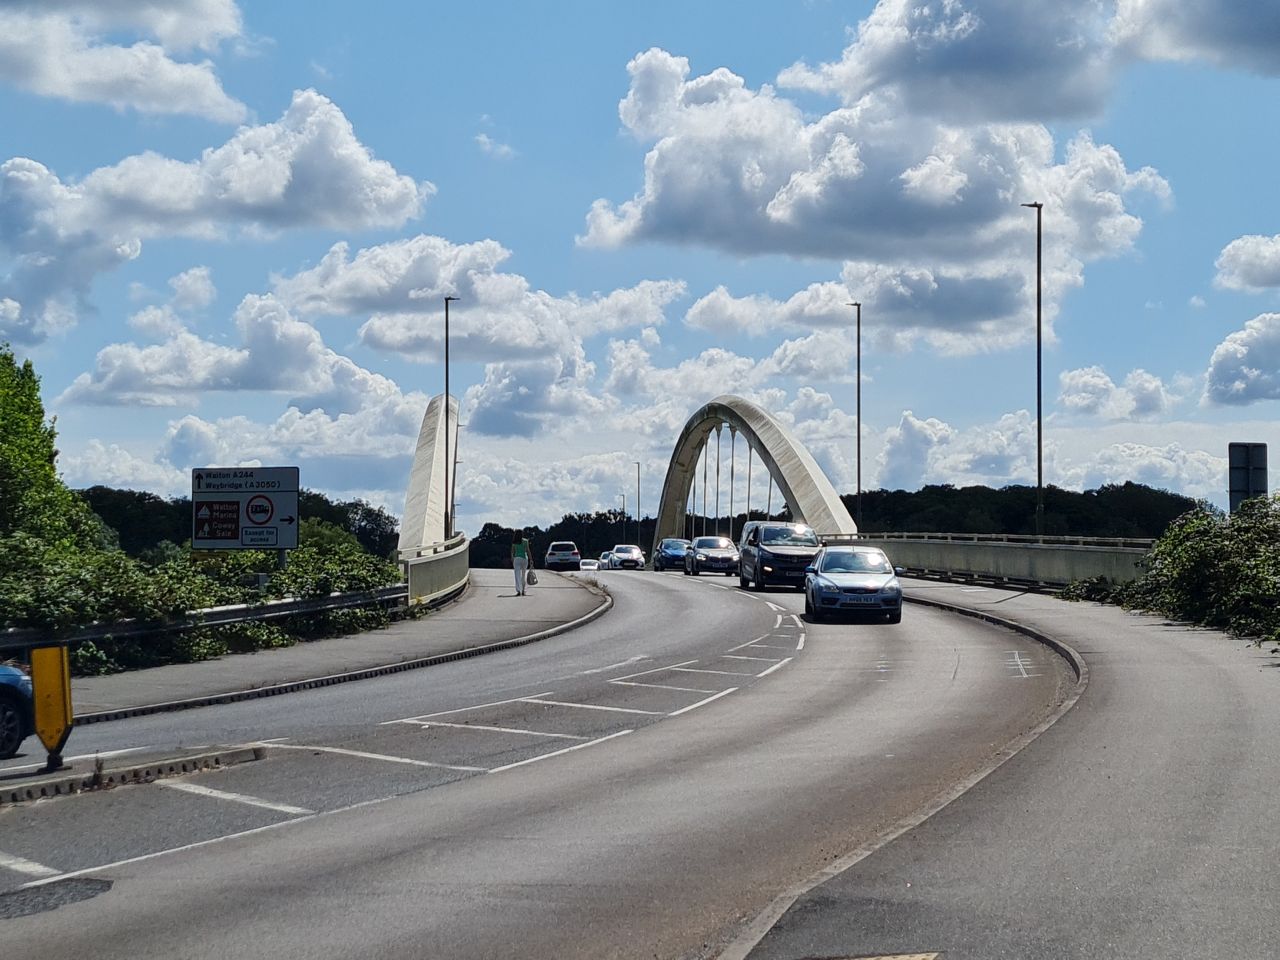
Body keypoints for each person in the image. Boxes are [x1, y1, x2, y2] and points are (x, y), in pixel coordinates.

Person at [511, 531, 531, 596]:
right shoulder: (525, 541)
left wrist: (512, 558)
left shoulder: (514, 542)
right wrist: (531, 559)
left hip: (517, 559)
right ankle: (523, 590)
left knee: (517, 575)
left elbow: (513, 552)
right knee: (523, 575)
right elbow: (528, 550)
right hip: (524, 559)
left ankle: (519, 590)